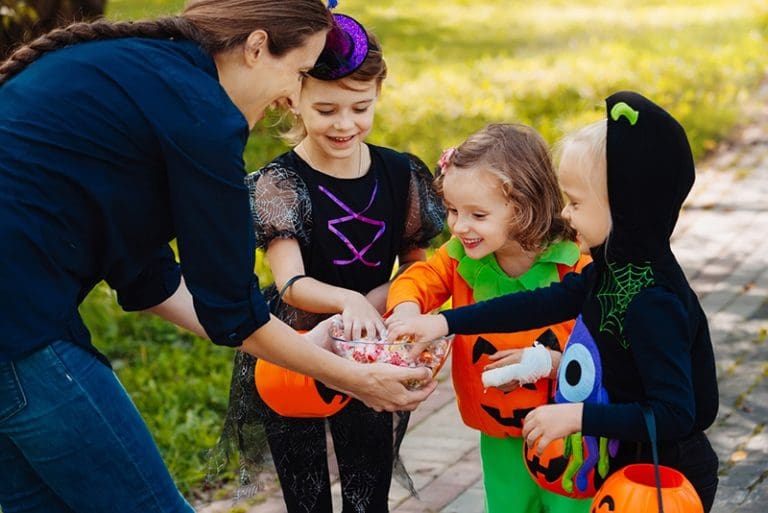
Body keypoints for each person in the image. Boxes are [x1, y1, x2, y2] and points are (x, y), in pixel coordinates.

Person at [0, 2, 436, 512]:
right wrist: (352, 377)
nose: (286, 98)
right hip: (19, 332)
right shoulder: (200, 111)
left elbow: (146, 276)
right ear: (255, 48)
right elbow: (234, 310)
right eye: (296, 73)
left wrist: (301, 345)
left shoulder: (155, 74)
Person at [386, 91, 720, 512]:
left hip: (666, 478)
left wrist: (579, 417)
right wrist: (444, 323)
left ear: (626, 209)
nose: (565, 213)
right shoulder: (609, 272)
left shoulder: (653, 301)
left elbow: (674, 415)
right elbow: (541, 305)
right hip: (625, 459)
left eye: (577, 203)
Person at [219, 16, 445, 512]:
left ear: (378, 93)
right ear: (291, 96)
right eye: (326, 109)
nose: (344, 124)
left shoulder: (399, 173)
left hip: (371, 350)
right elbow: (292, 283)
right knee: (307, 499)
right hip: (295, 352)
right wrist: (348, 300)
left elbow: (416, 269)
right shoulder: (280, 182)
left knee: (368, 493)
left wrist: (375, 305)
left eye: (360, 108)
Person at [385, 123, 592, 513]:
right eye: (452, 211)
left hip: (568, 430)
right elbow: (419, 277)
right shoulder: (461, 256)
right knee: (507, 504)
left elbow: (603, 352)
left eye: (477, 214)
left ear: (524, 207)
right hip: (497, 429)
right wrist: (409, 309)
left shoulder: (575, 268)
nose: (460, 226)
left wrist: (551, 363)